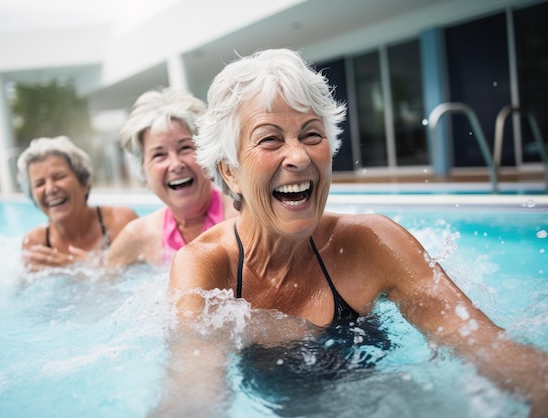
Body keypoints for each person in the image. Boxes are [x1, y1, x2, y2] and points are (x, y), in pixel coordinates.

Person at [163, 49, 548, 416]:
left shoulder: (371, 242)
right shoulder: (206, 268)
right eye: (270, 139)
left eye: (312, 135)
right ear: (230, 172)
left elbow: (479, 340)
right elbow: (193, 391)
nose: (299, 157)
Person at [106, 87, 238, 267]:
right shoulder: (138, 237)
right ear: (143, 174)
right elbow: (103, 290)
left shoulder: (243, 218)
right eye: (159, 155)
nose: (176, 164)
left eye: (185, 148)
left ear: (207, 157)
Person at [17, 136, 138, 270]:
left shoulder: (119, 221)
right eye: (39, 183)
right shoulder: (36, 244)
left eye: (59, 177)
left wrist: (85, 265)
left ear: (84, 183)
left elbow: (138, 275)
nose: (50, 189)